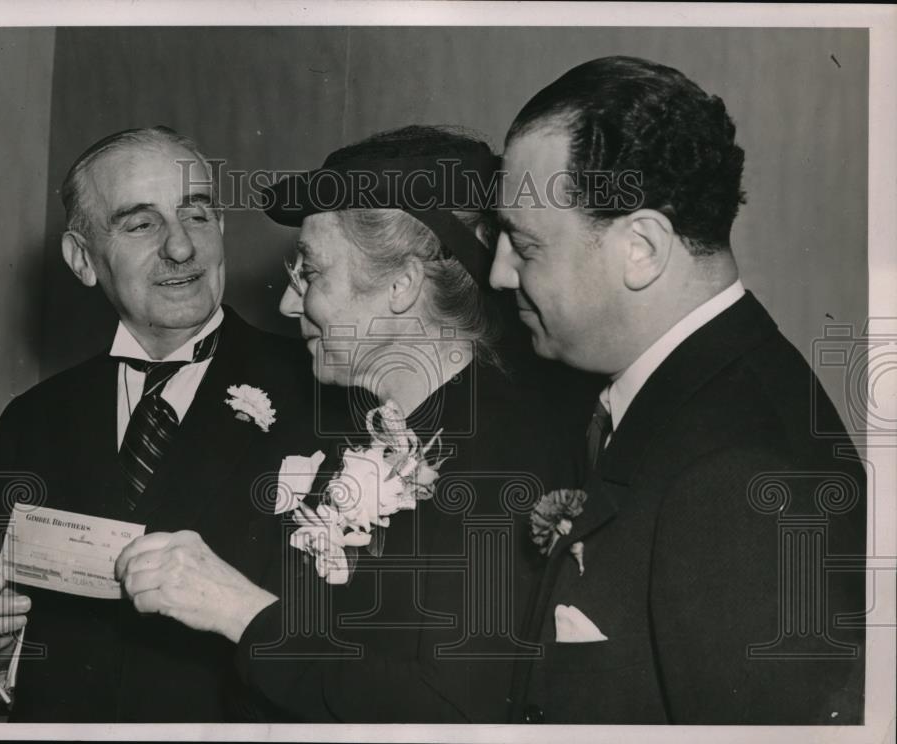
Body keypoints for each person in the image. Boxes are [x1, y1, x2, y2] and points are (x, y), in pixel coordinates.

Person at [115, 125, 597, 722]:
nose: (290, 305)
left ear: (401, 286)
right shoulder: (359, 433)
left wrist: (239, 610)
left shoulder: (511, 455)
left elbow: (451, 710)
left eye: (311, 273)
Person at [490, 56, 866, 724]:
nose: (499, 274)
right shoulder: (686, 397)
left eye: (524, 245)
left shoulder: (736, 475)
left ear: (642, 248)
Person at [0, 126, 313, 722]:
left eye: (196, 215)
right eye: (141, 224)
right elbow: (14, 629)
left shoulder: (319, 395)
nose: (182, 248)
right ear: (82, 260)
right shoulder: (31, 422)